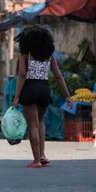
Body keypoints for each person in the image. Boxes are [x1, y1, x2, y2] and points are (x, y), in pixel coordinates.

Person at [12, 25, 73, 168]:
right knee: (40, 122)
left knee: (32, 124)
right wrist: (68, 96)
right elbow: (58, 76)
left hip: (30, 89)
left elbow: (21, 75)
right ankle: (42, 155)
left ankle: (36, 161)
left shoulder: (25, 55)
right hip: (45, 89)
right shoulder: (49, 56)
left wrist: (16, 97)